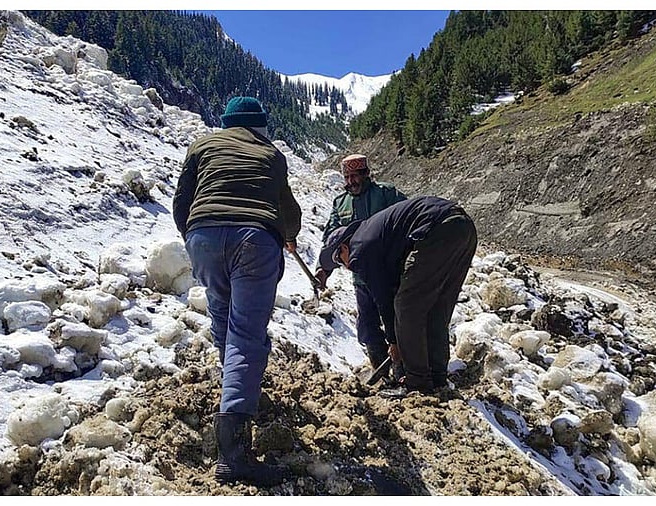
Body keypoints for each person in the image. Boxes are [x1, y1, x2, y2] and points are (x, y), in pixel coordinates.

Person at [173, 96, 300, 486]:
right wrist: (288, 237)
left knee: (222, 319)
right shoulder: (271, 154)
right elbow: (289, 212)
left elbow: (182, 201)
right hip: (254, 239)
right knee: (246, 334)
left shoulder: (202, 145)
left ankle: (234, 391)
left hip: (203, 235)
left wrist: (196, 237)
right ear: (260, 124)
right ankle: (234, 454)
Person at [318, 196, 477, 396]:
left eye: (340, 261)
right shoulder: (374, 235)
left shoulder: (360, 248)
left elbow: (385, 300)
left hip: (436, 230)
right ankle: (436, 377)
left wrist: (394, 342)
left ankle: (417, 383)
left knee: (407, 306)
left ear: (343, 247)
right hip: (463, 228)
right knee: (436, 308)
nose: (347, 267)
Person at [314, 154, 406, 375]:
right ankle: (382, 371)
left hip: (390, 273)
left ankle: (405, 370)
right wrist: (323, 268)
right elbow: (332, 239)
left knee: (398, 322)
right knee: (367, 325)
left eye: (355, 176)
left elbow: (406, 220)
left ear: (366, 174)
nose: (350, 182)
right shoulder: (341, 203)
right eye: (346, 177)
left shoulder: (386, 194)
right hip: (361, 277)